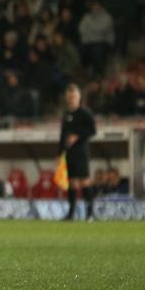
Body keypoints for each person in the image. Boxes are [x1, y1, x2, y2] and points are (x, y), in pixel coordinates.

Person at [59, 83, 96, 220]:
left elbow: (93, 131)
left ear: (79, 97)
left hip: (81, 151)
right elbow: (62, 135)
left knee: (84, 181)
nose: (71, 99)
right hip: (70, 152)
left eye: (74, 96)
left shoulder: (85, 113)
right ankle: (71, 213)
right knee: (72, 182)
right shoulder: (66, 114)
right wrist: (60, 152)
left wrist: (78, 136)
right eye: (69, 97)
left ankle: (90, 213)